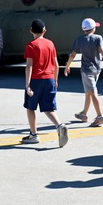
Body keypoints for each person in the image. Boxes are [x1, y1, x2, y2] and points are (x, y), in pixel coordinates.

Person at [21, 19, 68, 147]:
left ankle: (34, 135)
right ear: (44, 31)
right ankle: (60, 125)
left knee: (30, 108)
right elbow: (56, 64)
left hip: (36, 80)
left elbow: (29, 65)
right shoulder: (50, 44)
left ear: (31, 31)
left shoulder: (31, 45)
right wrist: (55, 80)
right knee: (49, 108)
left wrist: (27, 84)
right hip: (50, 79)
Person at [65, 17, 103, 127]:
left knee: (92, 92)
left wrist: (67, 66)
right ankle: (84, 114)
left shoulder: (80, 40)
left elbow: (73, 55)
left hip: (86, 70)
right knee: (88, 92)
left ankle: (100, 116)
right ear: (93, 28)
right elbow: (102, 50)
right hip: (97, 69)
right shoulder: (98, 38)